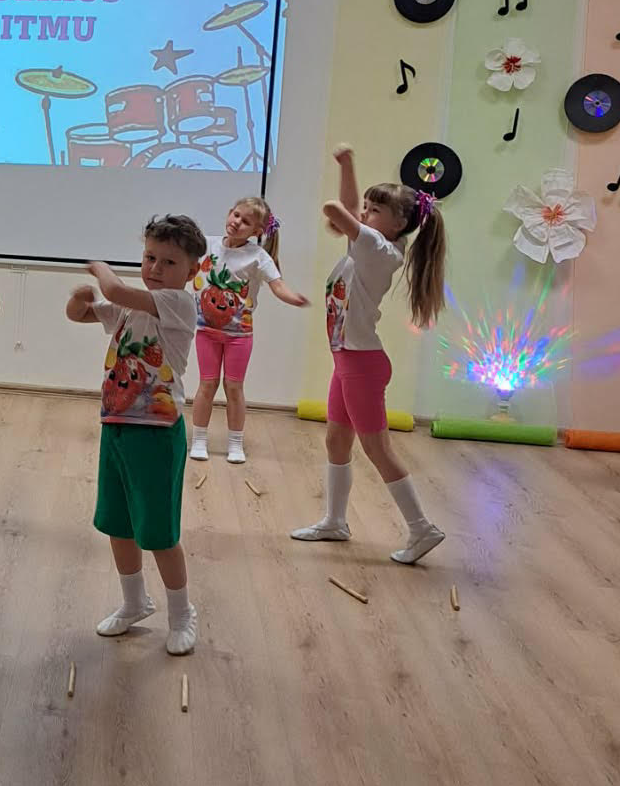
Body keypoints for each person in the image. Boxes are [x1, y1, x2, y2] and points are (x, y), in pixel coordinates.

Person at [292, 144, 447, 563]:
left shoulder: (378, 250)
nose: (364, 214)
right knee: (336, 440)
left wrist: (342, 213)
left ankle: (421, 528)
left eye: (374, 210)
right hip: (348, 359)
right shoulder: (370, 244)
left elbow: (336, 211)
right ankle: (335, 522)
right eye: (366, 208)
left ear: (399, 224)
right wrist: (347, 165)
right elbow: (347, 212)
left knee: (377, 449)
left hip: (361, 364)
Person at [67, 213, 206, 655]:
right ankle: (134, 603)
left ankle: (182, 614)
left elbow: (112, 290)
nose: (155, 268)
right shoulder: (134, 306)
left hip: (157, 434)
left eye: (169, 262)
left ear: (192, 271)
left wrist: (99, 269)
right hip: (116, 426)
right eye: (149, 258)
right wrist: (78, 298)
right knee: (118, 523)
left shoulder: (178, 304)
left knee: (160, 533)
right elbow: (82, 314)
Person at [189, 195, 308, 463]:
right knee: (207, 384)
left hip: (239, 335)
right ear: (230, 212)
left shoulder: (258, 256)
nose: (237, 222)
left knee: (234, 387)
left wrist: (294, 298)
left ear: (257, 231)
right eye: (236, 215)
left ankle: (235, 443)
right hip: (206, 332)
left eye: (246, 222)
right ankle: (199, 439)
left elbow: (278, 285)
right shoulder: (206, 245)